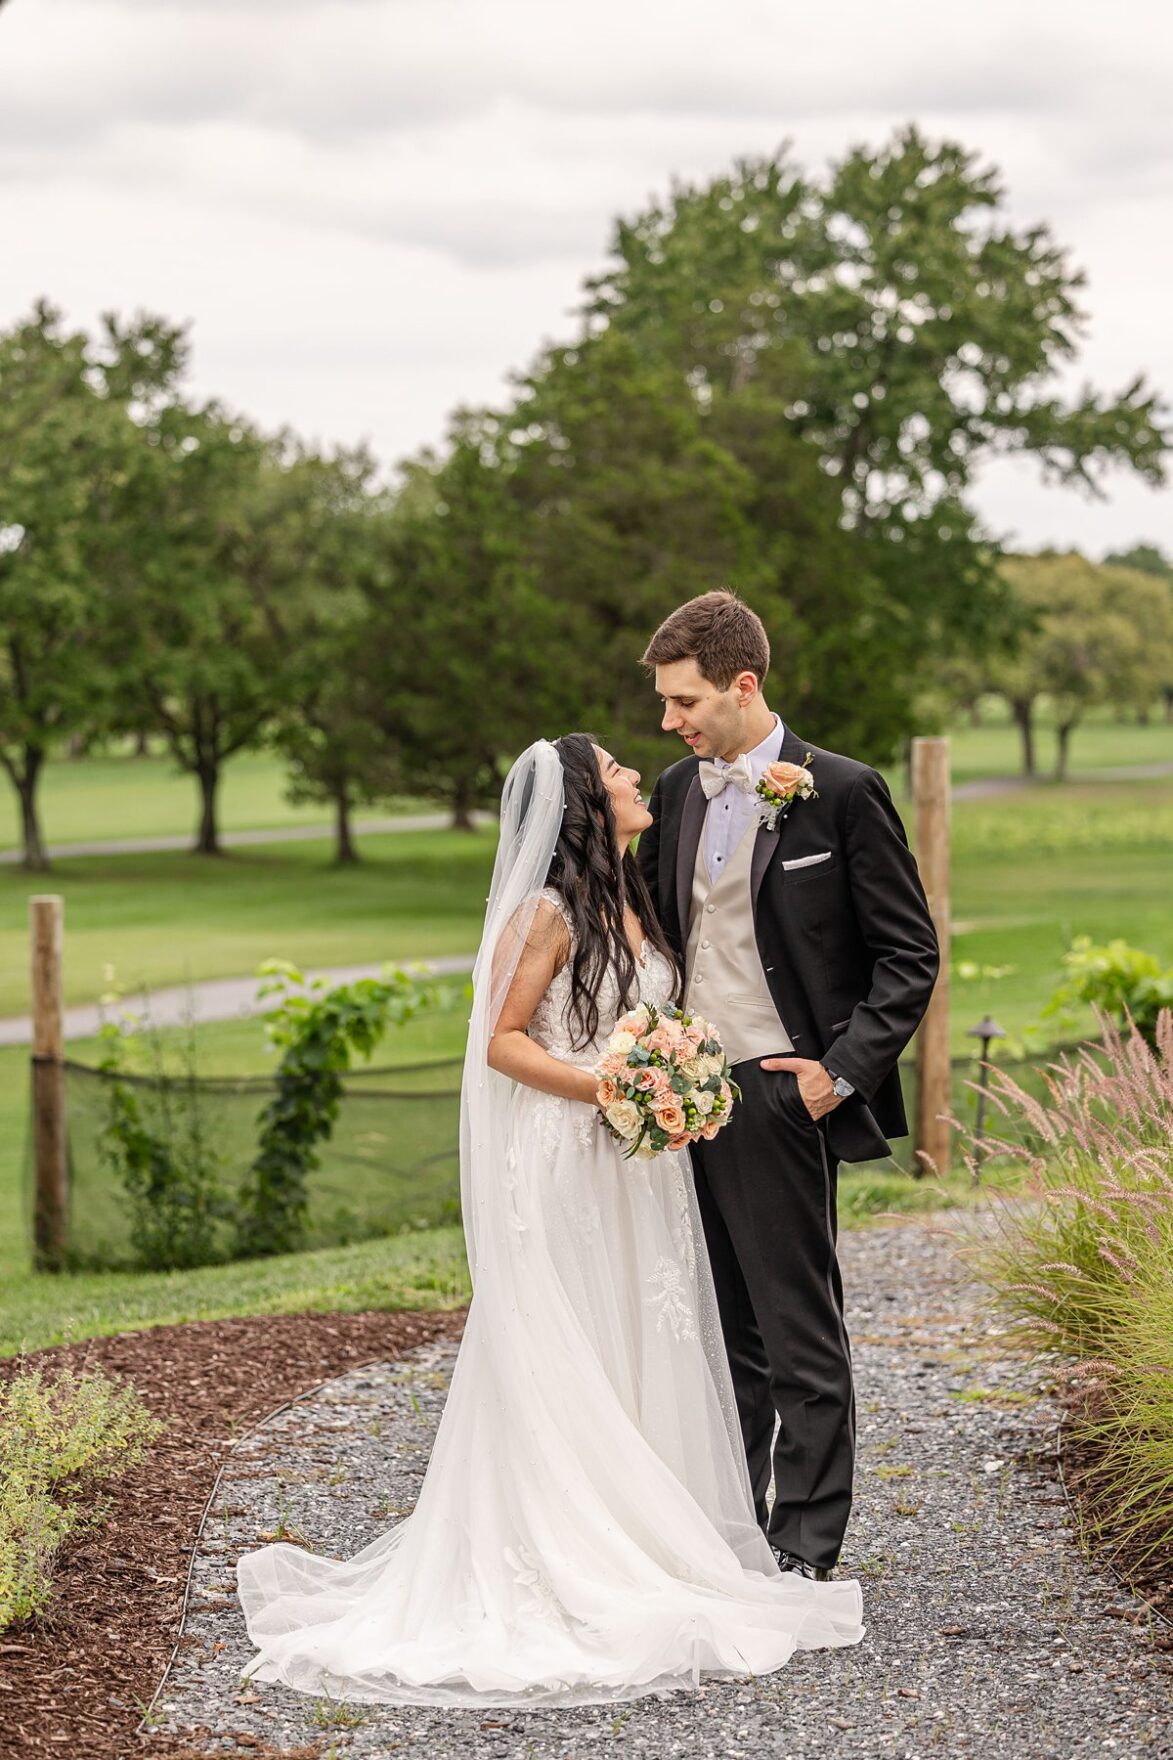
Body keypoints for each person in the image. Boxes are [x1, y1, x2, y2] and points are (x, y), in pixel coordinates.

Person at [236, 731, 863, 1707]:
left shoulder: (629, 897)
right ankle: (567, 1551)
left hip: (634, 1166)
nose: (631, 775)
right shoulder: (547, 911)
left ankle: (657, 1533)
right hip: (570, 1158)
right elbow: (501, 1042)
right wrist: (609, 1086)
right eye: (613, 769)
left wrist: (669, 1078)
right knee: (571, 1340)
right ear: (582, 803)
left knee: (639, 1339)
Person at [637, 590, 940, 1581]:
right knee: (724, 1326)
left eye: (684, 700)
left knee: (795, 1326)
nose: (670, 721)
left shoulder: (842, 793)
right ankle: (738, 1534)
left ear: (744, 683)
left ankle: (806, 1549)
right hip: (684, 1096)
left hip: (779, 1092)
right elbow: (648, 924)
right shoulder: (680, 794)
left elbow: (909, 954)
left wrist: (838, 1073)